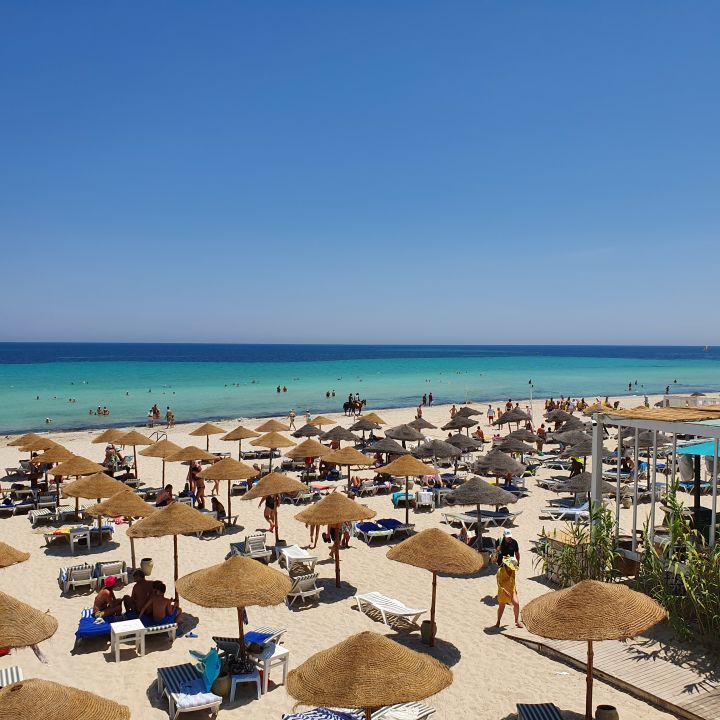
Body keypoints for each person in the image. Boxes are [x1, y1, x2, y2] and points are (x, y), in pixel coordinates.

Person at [494, 556, 522, 628]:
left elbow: (513, 581)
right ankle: (498, 621)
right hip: (502, 591)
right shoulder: (500, 571)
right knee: (501, 607)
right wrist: (504, 591)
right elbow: (499, 583)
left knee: (517, 604)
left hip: (511, 589)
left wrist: (515, 591)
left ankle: (516, 621)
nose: (513, 568)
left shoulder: (513, 571)